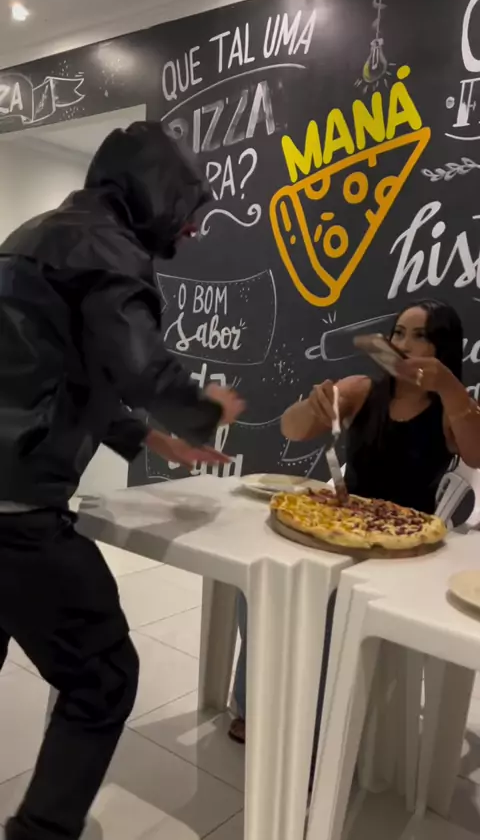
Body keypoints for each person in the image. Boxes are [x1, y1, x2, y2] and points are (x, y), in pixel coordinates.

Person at [0, 121, 244, 840]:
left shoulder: (32, 235)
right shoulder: (107, 249)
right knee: (104, 675)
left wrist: (149, 438)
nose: (193, 229)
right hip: (16, 513)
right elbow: (139, 366)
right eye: (189, 208)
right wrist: (204, 412)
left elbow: (57, 370)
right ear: (157, 191)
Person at [228, 300, 480, 745]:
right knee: (261, 581)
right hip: (340, 524)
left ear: (441, 347)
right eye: (398, 332)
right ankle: (257, 704)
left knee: (331, 606)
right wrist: (315, 406)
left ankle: (319, 725)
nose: (403, 344)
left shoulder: (449, 407)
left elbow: (476, 454)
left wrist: (449, 386)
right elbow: (292, 429)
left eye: (420, 336)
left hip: (406, 546)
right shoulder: (364, 389)